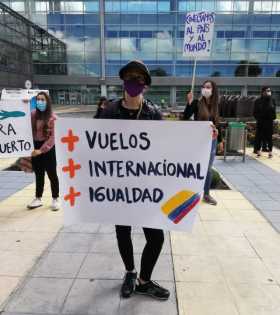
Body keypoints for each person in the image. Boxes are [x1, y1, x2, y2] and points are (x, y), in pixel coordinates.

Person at [98, 60, 170, 301]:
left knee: (156, 237)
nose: (134, 82)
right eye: (130, 77)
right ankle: (130, 272)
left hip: (146, 188)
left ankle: (144, 280)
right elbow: (89, 143)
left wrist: (204, 136)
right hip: (119, 188)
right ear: (123, 81)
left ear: (146, 86)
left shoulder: (153, 114)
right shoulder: (108, 112)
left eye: (139, 78)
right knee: (123, 232)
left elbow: (172, 145)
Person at [183, 80, 220, 206]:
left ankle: (206, 194)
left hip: (212, 141)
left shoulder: (216, 105)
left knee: (208, 168)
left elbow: (217, 124)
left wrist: (219, 138)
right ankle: (192, 193)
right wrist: (189, 103)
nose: (205, 89)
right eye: (204, 87)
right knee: (195, 167)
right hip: (198, 141)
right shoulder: (196, 103)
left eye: (208, 87)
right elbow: (186, 117)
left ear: (213, 89)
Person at [27, 92, 59, 211]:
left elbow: (52, 138)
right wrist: (23, 105)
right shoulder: (33, 114)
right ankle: (38, 198)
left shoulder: (53, 117)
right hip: (35, 146)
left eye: (42, 99)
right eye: (38, 99)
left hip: (48, 148)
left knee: (52, 174)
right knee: (38, 173)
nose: (40, 102)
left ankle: (55, 198)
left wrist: (41, 150)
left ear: (47, 101)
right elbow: (24, 127)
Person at [254, 86, 276, 158]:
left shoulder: (272, 100)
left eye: (269, 90)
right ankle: (258, 152)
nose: (268, 92)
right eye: (267, 90)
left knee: (269, 138)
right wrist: (259, 118)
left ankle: (270, 152)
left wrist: (272, 117)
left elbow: (274, 112)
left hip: (269, 122)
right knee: (259, 137)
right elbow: (255, 112)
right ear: (263, 92)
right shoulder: (258, 101)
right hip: (261, 122)